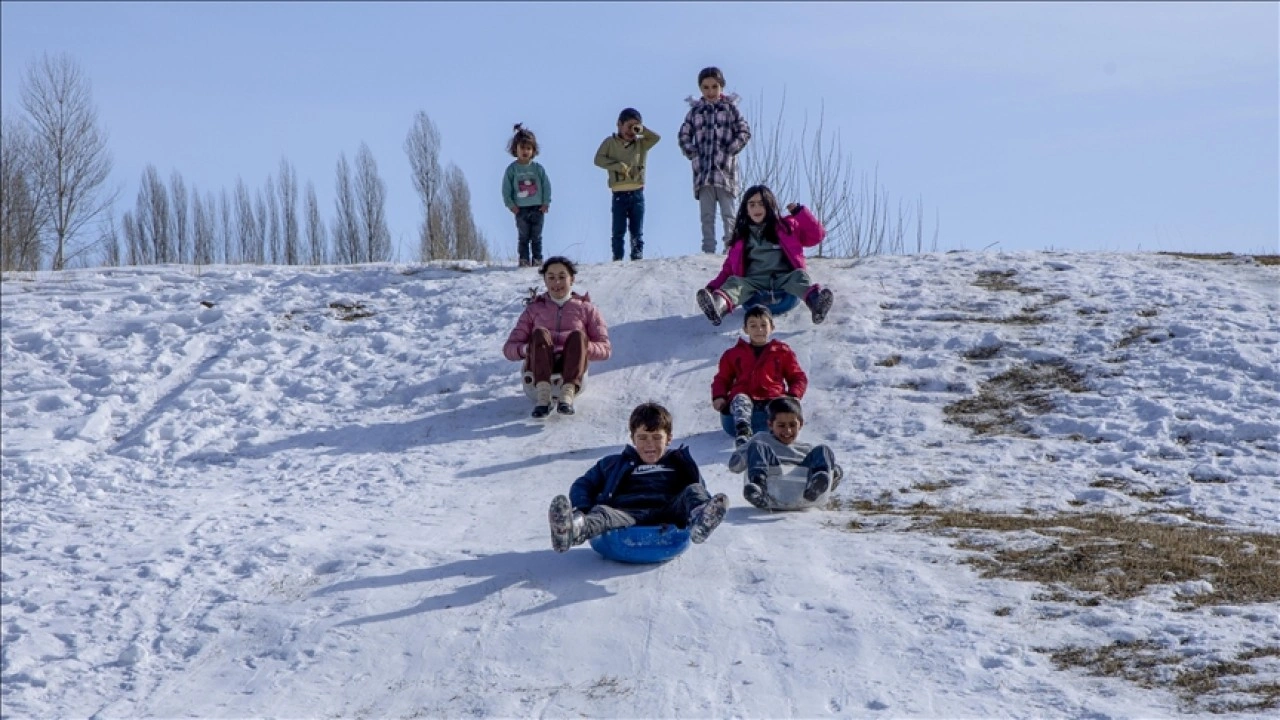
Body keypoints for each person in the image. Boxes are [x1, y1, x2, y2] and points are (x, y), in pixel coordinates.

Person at [549, 402, 730, 552]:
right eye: (642, 437)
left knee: (694, 490)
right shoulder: (613, 463)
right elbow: (584, 483)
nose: (649, 444)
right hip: (626, 513)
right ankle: (571, 531)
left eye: (656, 437)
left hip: (669, 512)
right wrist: (584, 508)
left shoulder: (680, 462)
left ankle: (701, 520)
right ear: (633, 439)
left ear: (669, 439)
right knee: (602, 513)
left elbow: (697, 488)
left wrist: (699, 504)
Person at [695, 184, 835, 326]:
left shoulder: (786, 227)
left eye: (761, 204)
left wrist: (800, 213)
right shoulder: (741, 239)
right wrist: (712, 289)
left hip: (783, 278)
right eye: (752, 204)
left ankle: (816, 304)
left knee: (799, 276)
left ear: (770, 206)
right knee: (734, 283)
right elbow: (727, 271)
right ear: (746, 209)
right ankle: (718, 307)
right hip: (753, 281)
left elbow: (817, 235)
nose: (757, 209)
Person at [503, 257, 611, 418]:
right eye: (551, 278)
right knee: (539, 333)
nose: (557, 283)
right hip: (536, 377)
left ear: (572, 279)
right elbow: (509, 348)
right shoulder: (534, 310)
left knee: (577, 336)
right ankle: (544, 397)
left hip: (573, 377)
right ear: (545, 281)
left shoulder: (587, 310)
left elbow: (605, 349)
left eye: (562, 277)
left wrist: (583, 347)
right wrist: (527, 349)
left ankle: (566, 396)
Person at [678, 66, 751, 254]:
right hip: (703, 173)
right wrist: (693, 153)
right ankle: (708, 249)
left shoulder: (730, 108)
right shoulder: (695, 112)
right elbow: (684, 134)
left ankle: (731, 247)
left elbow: (744, 131)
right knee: (706, 214)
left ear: (721, 87)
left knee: (728, 213)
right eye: (706, 87)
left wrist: (730, 150)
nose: (710, 92)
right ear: (700, 89)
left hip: (725, 171)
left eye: (714, 87)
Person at [710, 306, 807, 447]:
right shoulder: (733, 354)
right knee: (740, 399)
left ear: (772, 327)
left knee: (780, 404)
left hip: (772, 395)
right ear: (745, 329)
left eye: (763, 325)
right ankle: (743, 432)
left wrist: (793, 395)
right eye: (753, 325)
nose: (759, 330)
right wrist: (719, 396)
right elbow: (722, 378)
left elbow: (798, 376)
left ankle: (779, 435)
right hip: (744, 395)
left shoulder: (781, 351)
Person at [728, 397, 843, 509]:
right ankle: (759, 489)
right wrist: (746, 452)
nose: (787, 431)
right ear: (770, 425)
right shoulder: (762, 439)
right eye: (781, 425)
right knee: (758, 445)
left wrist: (835, 474)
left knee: (823, 450)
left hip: (803, 493)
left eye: (792, 425)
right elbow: (734, 466)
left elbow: (833, 472)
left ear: (801, 424)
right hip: (772, 488)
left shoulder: (807, 449)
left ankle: (815, 487)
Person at [594, 108, 660, 262]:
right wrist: (617, 166)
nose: (632, 131)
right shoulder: (610, 143)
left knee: (637, 230)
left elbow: (656, 138)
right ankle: (617, 257)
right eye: (629, 126)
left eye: (635, 127)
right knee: (618, 229)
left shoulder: (641, 144)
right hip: (619, 194)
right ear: (619, 124)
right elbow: (598, 159)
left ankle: (637, 256)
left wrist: (642, 130)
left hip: (637, 193)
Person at [501, 124, 552, 267]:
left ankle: (537, 261)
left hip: (537, 208)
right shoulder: (512, 170)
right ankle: (523, 260)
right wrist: (511, 205)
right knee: (523, 237)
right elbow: (506, 189)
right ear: (515, 149)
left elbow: (546, 186)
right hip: (521, 209)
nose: (525, 151)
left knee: (536, 237)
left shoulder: (538, 169)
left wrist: (546, 202)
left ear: (533, 150)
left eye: (529, 148)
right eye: (522, 148)